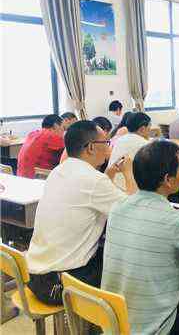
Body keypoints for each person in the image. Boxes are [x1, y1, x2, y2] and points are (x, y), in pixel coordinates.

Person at [101, 140, 179, 335]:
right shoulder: (174, 220)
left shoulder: (119, 207)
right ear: (168, 180)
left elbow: (156, 227)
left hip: (115, 321)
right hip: (155, 327)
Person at [26, 120, 136, 305]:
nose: (109, 147)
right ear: (91, 148)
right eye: (106, 142)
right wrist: (128, 173)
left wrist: (109, 173)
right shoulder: (93, 180)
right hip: (60, 284)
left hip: (37, 276)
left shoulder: (59, 171)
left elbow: (91, 195)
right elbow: (133, 210)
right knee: (128, 262)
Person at [108, 112, 151, 188]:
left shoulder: (120, 140)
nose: (150, 130)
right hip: (129, 187)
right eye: (149, 127)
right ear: (142, 129)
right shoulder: (144, 144)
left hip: (112, 184)